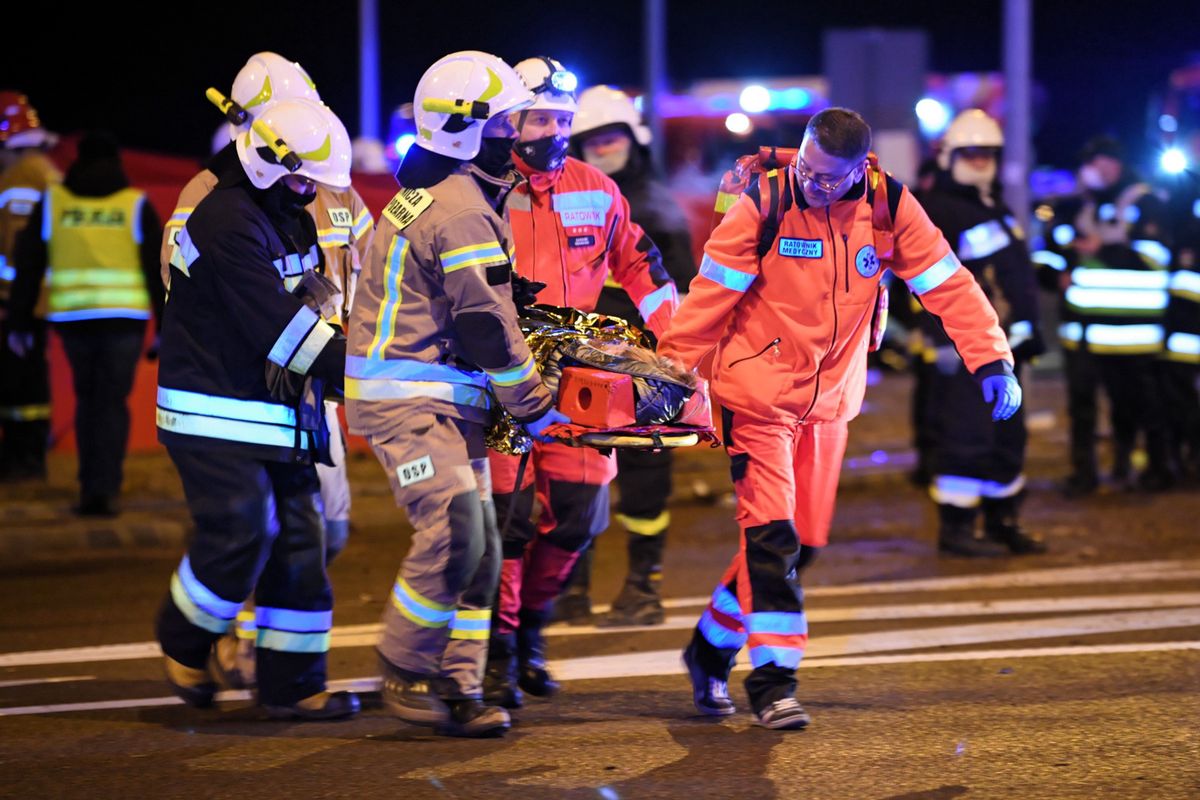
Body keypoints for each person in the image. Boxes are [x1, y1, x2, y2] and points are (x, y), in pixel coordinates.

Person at [658, 107, 1018, 730]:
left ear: (860, 169)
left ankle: (708, 649)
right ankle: (774, 682)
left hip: (828, 410)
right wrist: (667, 379)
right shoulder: (765, 202)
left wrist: (991, 361)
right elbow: (706, 302)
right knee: (771, 540)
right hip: (757, 398)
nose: (813, 185)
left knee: (804, 546)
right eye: (807, 170)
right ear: (799, 153)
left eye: (829, 178)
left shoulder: (889, 208)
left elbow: (949, 286)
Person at [346, 50, 567, 738]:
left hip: (441, 398)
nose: (520, 133)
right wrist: (534, 399)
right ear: (471, 132)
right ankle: (406, 665)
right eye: (508, 121)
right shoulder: (463, 208)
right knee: (455, 530)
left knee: (484, 550)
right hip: (410, 401)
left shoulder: (441, 188)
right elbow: (483, 327)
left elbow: (460, 299)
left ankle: (462, 685)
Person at [153, 98, 359, 720]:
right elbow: (282, 329)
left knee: (303, 539)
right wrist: (365, 373)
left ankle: (293, 686)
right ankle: (184, 639)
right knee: (243, 527)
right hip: (211, 410)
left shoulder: (285, 212)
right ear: (268, 162)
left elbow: (311, 300)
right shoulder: (226, 221)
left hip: (274, 409)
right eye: (302, 177)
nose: (310, 191)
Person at [484, 57, 679, 708]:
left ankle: (531, 631)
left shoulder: (596, 186)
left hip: (580, 381)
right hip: (500, 382)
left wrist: (674, 346)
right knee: (506, 524)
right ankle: (500, 651)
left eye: (563, 120)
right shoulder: (481, 187)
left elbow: (644, 267)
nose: (554, 132)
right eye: (541, 118)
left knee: (579, 517)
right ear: (509, 120)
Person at [160, 51, 368, 562]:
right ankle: (227, 633)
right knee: (250, 529)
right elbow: (190, 291)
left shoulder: (334, 187)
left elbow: (375, 272)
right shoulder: (211, 196)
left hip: (322, 377)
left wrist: (358, 352)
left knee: (324, 533)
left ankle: (260, 626)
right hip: (253, 385)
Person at [553, 84, 697, 627]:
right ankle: (572, 584)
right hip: (580, 354)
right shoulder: (567, 200)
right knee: (577, 466)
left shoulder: (654, 205)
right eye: (592, 141)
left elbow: (676, 284)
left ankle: (643, 585)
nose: (603, 150)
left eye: (612, 138)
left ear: (633, 141)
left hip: (641, 355)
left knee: (644, 468)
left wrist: (667, 354)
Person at [8, 131, 164, 516]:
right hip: (124, 322)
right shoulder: (134, 204)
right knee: (111, 404)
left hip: (74, 322)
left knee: (88, 401)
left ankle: (88, 486)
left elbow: (28, 266)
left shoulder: (54, 203)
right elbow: (156, 270)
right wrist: (165, 327)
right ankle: (104, 487)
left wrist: (19, 323)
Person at [916, 110, 1046, 556]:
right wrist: (937, 339)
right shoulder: (936, 211)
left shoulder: (995, 206)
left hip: (1008, 346)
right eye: (970, 153)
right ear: (950, 156)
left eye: (987, 153)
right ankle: (956, 529)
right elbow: (931, 284)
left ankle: (1001, 521)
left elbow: (1015, 276)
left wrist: (1027, 334)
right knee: (967, 435)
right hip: (966, 348)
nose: (980, 160)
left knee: (1009, 437)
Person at [1037, 136, 1174, 494]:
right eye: (1093, 162)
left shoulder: (1146, 203)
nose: (1098, 169)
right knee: (1081, 408)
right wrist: (1055, 275)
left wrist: (1105, 248)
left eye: (1104, 161)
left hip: (1132, 332)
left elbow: (1156, 256)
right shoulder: (1072, 208)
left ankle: (1146, 468)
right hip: (1082, 331)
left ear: (1118, 164)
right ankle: (1084, 474)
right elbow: (1048, 254)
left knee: (1136, 406)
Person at [0, 91, 59, 481]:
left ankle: (24, 457)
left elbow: (18, 251)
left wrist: (10, 302)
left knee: (22, 384)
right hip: (37, 300)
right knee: (29, 380)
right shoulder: (44, 171)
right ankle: (27, 453)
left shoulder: (22, 177)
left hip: (22, 302)